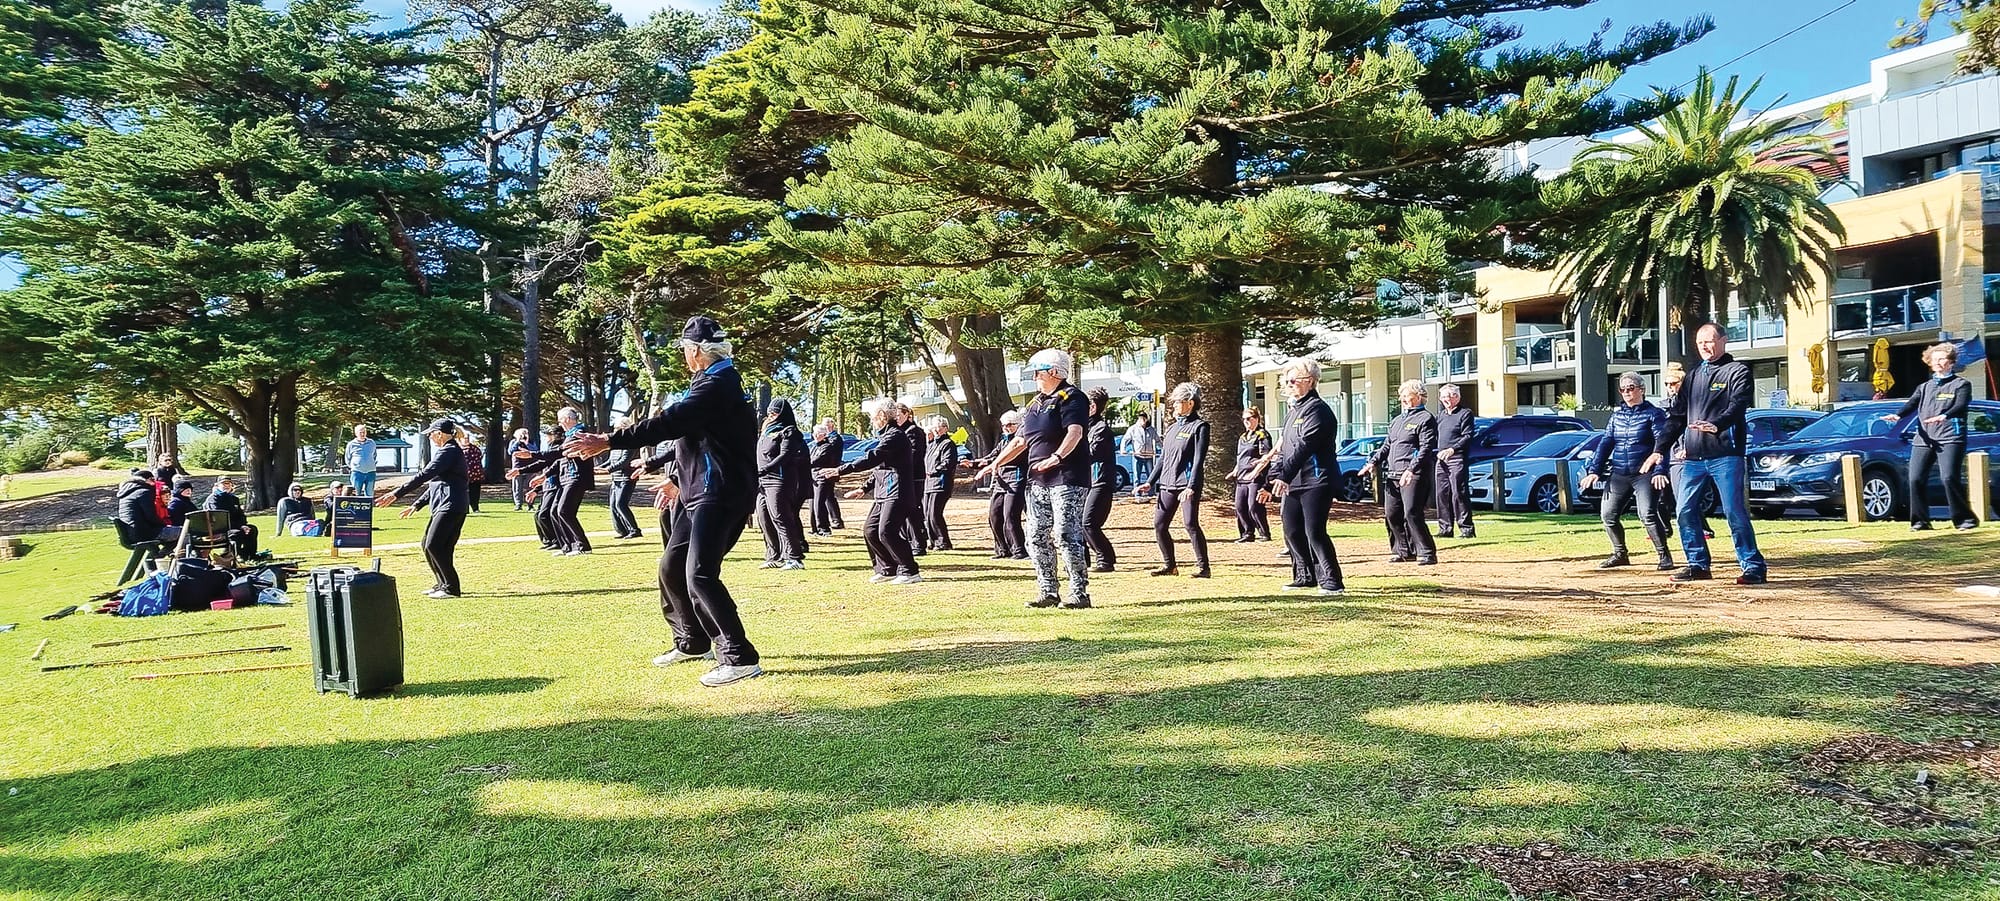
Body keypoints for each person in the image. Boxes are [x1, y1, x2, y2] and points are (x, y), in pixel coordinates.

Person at [564, 315, 764, 687]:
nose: (684, 356)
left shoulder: (718, 384)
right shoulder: (708, 382)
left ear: (697, 351)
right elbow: (696, 439)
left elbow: (671, 423)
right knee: (671, 568)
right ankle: (692, 642)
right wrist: (674, 478)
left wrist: (609, 440)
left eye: (685, 349)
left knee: (700, 574)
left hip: (719, 493)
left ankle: (739, 657)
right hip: (696, 491)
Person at [1648, 323, 1766, 585]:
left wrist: (1717, 425)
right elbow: (1677, 417)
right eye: (1700, 342)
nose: (1704, 346)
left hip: (1726, 455)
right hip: (1693, 459)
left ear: (1723, 340)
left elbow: (1738, 405)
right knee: (1685, 511)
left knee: (1734, 512)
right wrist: (1659, 449)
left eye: (1709, 341)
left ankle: (1753, 566)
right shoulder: (1693, 376)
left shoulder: (1737, 371)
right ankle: (1698, 564)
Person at [978, 349, 1091, 609]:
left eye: (1038, 372)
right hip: (1038, 481)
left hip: (1067, 477)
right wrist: (995, 463)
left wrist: (1056, 457)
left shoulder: (1072, 397)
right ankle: (1048, 591)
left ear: (1054, 372)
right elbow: (1020, 441)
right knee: (1036, 535)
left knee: (1065, 533)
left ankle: (1079, 593)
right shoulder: (1034, 404)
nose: (1035, 377)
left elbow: (1075, 432)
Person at [1262, 359, 1343, 595]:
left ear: (1310, 381)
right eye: (1286, 381)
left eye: (1293, 380)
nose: (1289, 385)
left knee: (1314, 531)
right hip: (1294, 482)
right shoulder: (1292, 412)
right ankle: (1304, 576)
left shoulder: (1318, 410)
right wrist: (1271, 479)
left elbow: (1305, 446)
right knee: (1291, 530)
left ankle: (1332, 580)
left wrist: (1284, 476)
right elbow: (1286, 449)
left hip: (1316, 479)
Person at [1579, 373, 1675, 570]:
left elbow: (1662, 444)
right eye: (1622, 389)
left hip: (1644, 473)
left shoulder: (1654, 414)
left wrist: (1660, 470)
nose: (1626, 392)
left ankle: (1664, 556)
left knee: (1647, 514)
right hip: (1620, 472)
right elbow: (1605, 443)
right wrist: (1594, 470)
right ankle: (1620, 553)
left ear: (1642, 389)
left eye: (1630, 388)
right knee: (1608, 515)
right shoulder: (1616, 416)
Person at [823, 403, 921, 584]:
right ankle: (887, 569)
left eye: (873, 417)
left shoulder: (895, 436)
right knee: (870, 530)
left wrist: (841, 470)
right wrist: (864, 488)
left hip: (898, 491)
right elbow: (879, 468)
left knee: (887, 531)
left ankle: (910, 571)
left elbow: (873, 457)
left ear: (882, 416)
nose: (871, 420)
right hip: (883, 492)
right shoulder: (886, 436)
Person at [1885, 342, 1977, 531]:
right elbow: (1911, 404)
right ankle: (1920, 522)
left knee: (1948, 478)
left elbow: (1960, 406)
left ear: (1951, 362)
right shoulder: (1925, 387)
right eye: (1934, 359)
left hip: (1950, 438)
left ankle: (1964, 520)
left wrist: (1944, 416)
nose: (1937, 362)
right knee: (1915, 479)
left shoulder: (1961, 384)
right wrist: (1898, 415)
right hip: (1924, 438)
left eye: (1941, 359)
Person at [379, 419, 470, 598]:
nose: (429, 437)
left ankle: (451, 588)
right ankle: (442, 584)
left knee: (434, 545)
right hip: (446, 505)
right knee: (429, 545)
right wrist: (417, 504)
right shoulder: (447, 451)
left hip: (451, 505)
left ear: (440, 433)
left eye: (430, 433)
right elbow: (435, 484)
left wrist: (396, 494)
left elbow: (424, 476)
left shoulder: (449, 451)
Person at [1360, 380, 1438, 565]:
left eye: (1406, 395)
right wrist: (1373, 462)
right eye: (1401, 395)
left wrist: (1411, 469)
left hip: (1413, 474)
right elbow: (1387, 445)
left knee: (1411, 513)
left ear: (1419, 397)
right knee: (1392, 514)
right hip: (1393, 474)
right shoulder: (1397, 421)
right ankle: (1402, 551)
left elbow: (1426, 448)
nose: (1402, 399)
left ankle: (1426, 552)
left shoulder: (1426, 419)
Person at [1137, 381, 1210, 578]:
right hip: (1167, 483)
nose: (1175, 405)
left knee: (1190, 524)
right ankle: (1170, 566)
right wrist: (1150, 481)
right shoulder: (1172, 428)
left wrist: (1191, 486)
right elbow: (1163, 458)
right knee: (1160, 525)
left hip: (1186, 484)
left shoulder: (1200, 427)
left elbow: (1198, 460)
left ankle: (1204, 567)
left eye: (1178, 401)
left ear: (1190, 403)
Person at [518, 408, 595, 556]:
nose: (559, 423)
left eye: (560, 420)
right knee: (555, 512)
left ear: (567, 419)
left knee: (564, 511)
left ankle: (582, 546)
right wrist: (544, 476)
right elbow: (560, 460)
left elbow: (558, 453)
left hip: (576, 477)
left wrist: (532, 454)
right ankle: (567, 547)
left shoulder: (579, 434)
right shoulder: (569, 435)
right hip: (567, 477)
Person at [755, 399, 810, 570]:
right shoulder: (766, 431)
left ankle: (794, 557)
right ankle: (774, 555)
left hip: (779, 480)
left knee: (781, 517)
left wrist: (765, 469)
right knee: (764, 517)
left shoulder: (789, 431)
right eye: (770, 412)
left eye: (775, 412)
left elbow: (785, 455)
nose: (771, 415)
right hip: (763, 482)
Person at [970, 411, 1029, 560]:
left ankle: (1019, 550)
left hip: (1016, 479)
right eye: (1003, 425)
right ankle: (1002, 549)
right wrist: (973, 464)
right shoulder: (1003, 442)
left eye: (1010, 425)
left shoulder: (1021, 440)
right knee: (994, 516)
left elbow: (1009, 457)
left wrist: (993, 464)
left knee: (1010, 516)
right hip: (1000, 481)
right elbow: (991, 457)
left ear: (1018, 425)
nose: (1006, 428)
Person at [1082, 388, 1119, 572]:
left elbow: (1091, 453)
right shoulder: (1087, 427)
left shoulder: (1101, 429)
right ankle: (1082, 560)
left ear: (1093, 407)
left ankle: (1106, 559)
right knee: (1080, 523)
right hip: (1089, 482)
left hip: (1100, 482)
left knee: (1089, 522)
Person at [1432, 383, 1476, 538]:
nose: (1446, 400)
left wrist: (1453, 449)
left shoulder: (1465, 413)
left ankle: (1466, 529)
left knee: (1458, 493)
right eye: (1443, 397)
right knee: (1441, 493)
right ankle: (1445, 529)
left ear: (1457, 397)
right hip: (1441, 459)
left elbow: (1468, 436)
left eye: (1449, 396)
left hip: (1457, 458)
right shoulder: (1440, 416)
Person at [1229, 407, 1274, 542]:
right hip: (1242, 476)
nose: (1246, 422)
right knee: (1240, 506)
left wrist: (1255, 472)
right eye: (1244, 419)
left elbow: (1266, 456)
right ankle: (1247, 533)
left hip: (1255, 477)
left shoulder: (1262, 435)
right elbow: (1240, 456)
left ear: (1256, 419)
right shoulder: (1243, 437)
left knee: (1254, 506)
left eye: (1249, 418)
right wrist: (1235, 470)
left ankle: (1264, 533)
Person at [115, 469, 181, 546]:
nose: (154, 483)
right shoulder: (144, 492)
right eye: (152, 480)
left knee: (176, 532)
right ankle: (180, 553)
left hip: (131, 533)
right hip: (144, 533)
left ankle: (163, 552)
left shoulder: (126, 493)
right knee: (185, 532)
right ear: (148, 479)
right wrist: (164, 525)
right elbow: (151, 516)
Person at [922, 415, 958, 551]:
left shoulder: (948, 444)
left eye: (940, 427)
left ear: (946, 428)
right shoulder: (931, 444)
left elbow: (947, 463)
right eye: (935, 427)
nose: (937, 429)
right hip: (928, 484)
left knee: (934, 513)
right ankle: (933, 541)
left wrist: (933, 471)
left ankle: (943, 542)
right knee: (927, 514)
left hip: (941, 484)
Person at [605, 417, 644, 540]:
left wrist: (607, 470)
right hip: (615, 478)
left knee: (621, 504)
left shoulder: (631, 442)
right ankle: (622, 530)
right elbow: (610, 460)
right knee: (613, 505)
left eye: (617, 428)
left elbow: (624, 461)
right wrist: (598, 468)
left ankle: (634, 530)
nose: (615, 431)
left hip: (627, 478)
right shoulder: (616, 444)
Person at [203, 475, 261, 558]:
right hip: (218, 529)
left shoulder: (234, 499)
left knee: (252, 529)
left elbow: (241, 515)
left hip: (235, 526)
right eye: (224, 483)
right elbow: (219, 519)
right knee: (236, 533)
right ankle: (229, 556)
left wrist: (243, 525)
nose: (227, 486)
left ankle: (249, 556)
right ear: (217, 485)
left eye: (229, 483)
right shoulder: (213, 499)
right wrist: (239, 526)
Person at [898, 403, 928, 557]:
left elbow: (915, 455)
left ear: (906, 414)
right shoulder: (899, 431)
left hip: (914, 477)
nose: (896, 418)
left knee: (912, 510)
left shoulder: (914, 431)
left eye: (899, 415)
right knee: (902, 510)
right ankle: (908, 541)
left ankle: (918, 543)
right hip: (903, 477)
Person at [808, 420, 845, 535]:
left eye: (817, 433)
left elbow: (816, 460)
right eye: (814, 433)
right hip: (814, 477)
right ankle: (815, 528)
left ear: (823, 435)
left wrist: (804, 464)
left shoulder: (828, 445)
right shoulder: (815, 446)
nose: (814, 435)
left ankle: (824, 528)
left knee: (820, 502)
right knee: (813, 503)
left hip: (824, 476)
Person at [1121, 412, 1157, 485]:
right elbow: (1125, 440)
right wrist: (1123, 449)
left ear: (1146, 419)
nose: (1143, 420)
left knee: (1151, 477)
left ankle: (1151, 491)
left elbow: (1157, 440)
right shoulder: (1133, 429)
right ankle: (1137, 491)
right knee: (1136, 477)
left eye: (1144, 418)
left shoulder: (1151, 429)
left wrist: (1164, 449)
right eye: (1141, 418)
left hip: (1148, 456)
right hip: (1137, 456)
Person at [344, 426, 379, 495]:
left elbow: (374, 455)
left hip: (371, 471)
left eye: (364, 432)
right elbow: (347, 458)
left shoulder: (371, 443)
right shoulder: (351, 444)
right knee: (356, 493)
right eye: (360, 432)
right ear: (356, 433)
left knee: (370, 493)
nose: (362, 434)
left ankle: (368, 502)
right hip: (357, 472)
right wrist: (354, 466)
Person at [506, 428, 534, 510]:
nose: (524, 435)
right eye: (522, 433)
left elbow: (535, 450)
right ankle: (518, 504)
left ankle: (530, 505)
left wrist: (527, 443)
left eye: (525, 433)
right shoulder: (513, 442)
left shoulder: (530, 442)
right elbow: (510, 451)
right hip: (517, 467)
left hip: (530, 467)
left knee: (529, 486)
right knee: (517, 487)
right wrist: (518, 441)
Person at [458, 431, 484, 513]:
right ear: (460, 439)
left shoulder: (475, 449)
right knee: (464, 493)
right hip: (463, 476)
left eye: (467, 438)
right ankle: (465, 509)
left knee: (475, 492)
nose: (466, 440)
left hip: (476, 475)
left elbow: (480, 457)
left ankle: (475, 508)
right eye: (464, 438)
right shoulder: (457, 449)